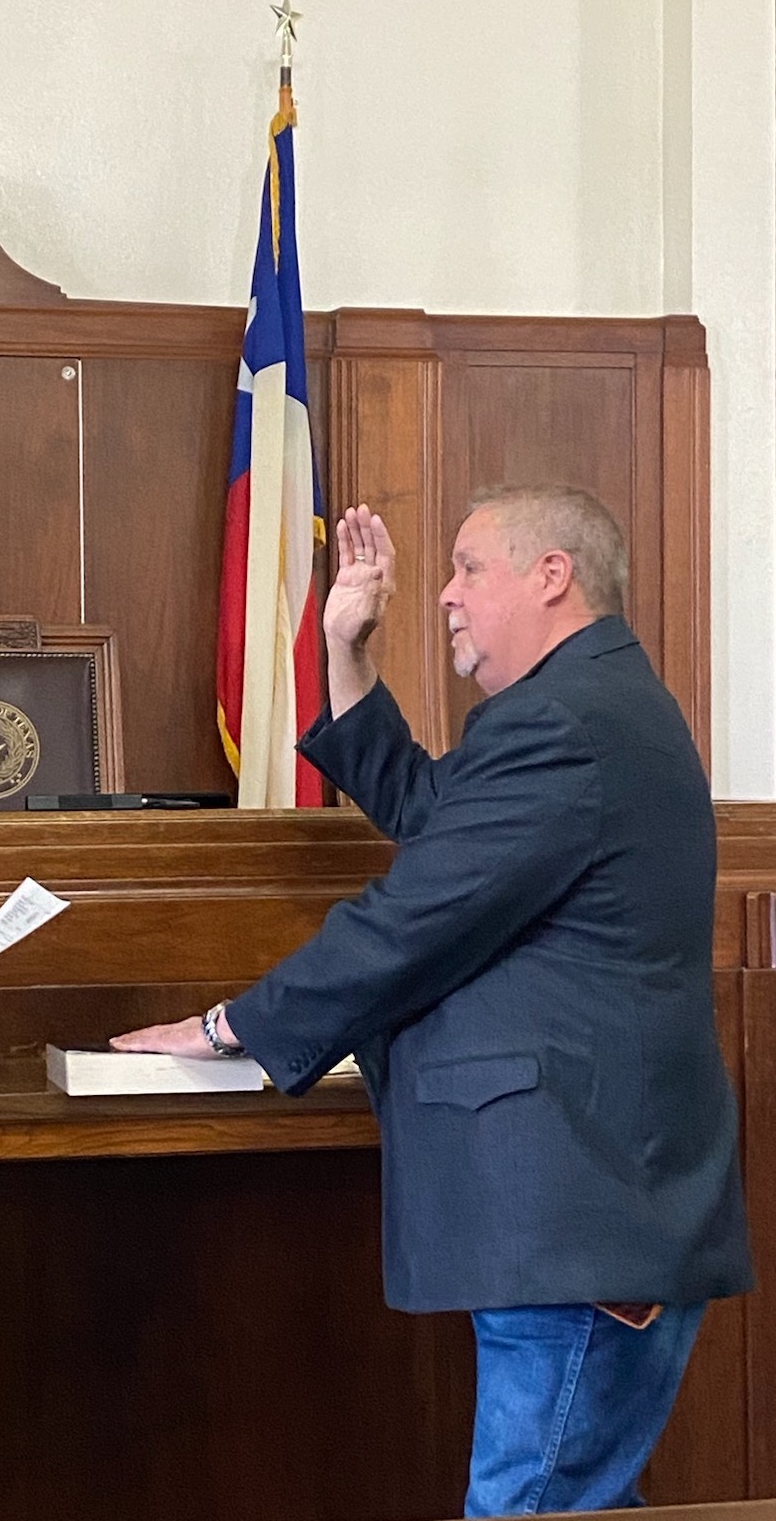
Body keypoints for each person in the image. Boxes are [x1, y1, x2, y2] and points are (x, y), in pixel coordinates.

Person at [114, 486, 752, 1515]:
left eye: (467, 567)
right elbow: (435, 814)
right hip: (591, 1214)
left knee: (531, 1503)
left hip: (577, 1214)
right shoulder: (588, 708)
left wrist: (229, 1025)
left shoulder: (565, 720)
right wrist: (347, 649)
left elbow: (414, 915)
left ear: (552, 574)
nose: (443, 595)